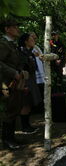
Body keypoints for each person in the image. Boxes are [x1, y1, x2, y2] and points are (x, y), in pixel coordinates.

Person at [0, 18, 24, 149]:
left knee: (15, 108)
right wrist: (13, 72)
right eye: (14, 26)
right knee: (9, 109)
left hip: (14, 82)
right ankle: (6, 140)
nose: (17, 29)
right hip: (5, 83)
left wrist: (20, 71)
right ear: (7, 29)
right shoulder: (3, 44)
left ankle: (11, 137)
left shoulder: (12, 44)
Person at [19, 33, 42, 134]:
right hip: (25, 81)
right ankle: (24, 127)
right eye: (31, 39)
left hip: (31, 80)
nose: (33, 40)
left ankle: (27, 125)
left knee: (29, 103)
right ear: (26, 42)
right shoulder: (21, 51)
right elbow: (22, 66)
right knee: (25, 104)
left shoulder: (30, 52)